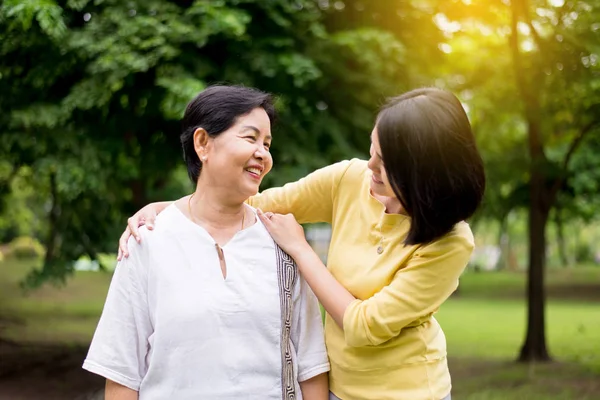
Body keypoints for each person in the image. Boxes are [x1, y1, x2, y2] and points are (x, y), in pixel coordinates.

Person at [119, 87, 486, 400]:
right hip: (339, 389)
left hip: (411, 391)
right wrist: (171, 210)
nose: (369, 167)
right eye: (371, 150)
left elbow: (364, 326)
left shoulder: (451, 241)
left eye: (384, 163)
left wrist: (301, 250)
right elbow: (258, 203)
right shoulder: (349, 179)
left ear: (422, 174)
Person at [84, 85, 330, 400]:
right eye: (250, 138)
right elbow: (121, 372)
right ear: (203, 143)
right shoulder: (147, 242)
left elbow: (311, 368)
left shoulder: (284, 244)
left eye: (267, 144)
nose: (263, 153)